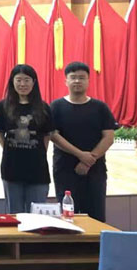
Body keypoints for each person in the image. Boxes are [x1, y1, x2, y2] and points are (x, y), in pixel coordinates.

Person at [50, 61, 116, 222]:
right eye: (73, 77)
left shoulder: (100, 107)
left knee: (96, 216)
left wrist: (88, 161)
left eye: (81, 77)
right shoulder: (56, 107)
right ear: (66, 81)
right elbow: (54, 136)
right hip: (64, 169)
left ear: (88, 81)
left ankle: (95, 240)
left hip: (95, 170)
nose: (77, 81)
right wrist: (81, 155)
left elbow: (108, 137)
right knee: (67, 217)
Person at [0, 64, 54, 214]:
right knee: (15, 214)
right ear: (12, 82)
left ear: (34, 82)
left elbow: (46, 136)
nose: (22, 84)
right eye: (18, 80)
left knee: (37, 215)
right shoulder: (3, 106)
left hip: (37, 169)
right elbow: (0, 133)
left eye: (26, 80)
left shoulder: (43, 108)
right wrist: (10, 148)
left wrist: (36, 152)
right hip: (11, 168)